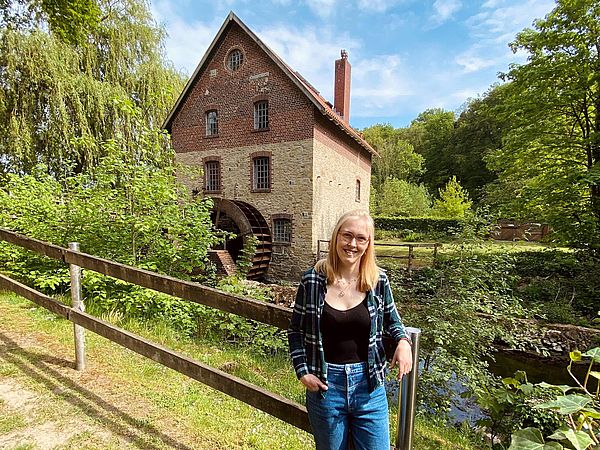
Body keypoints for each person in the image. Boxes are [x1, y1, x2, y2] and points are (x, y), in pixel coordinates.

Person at [288, 209, 412, 450]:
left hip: (369, 385)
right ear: (336, 237)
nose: (352, 244)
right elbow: (295, 331)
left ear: (368, 244)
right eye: (347, 236)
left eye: (361, 238)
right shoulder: (312, 281)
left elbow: (394, 322)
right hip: (326, 387)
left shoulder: (378, 281)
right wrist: (302, 371)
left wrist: (404, 342)